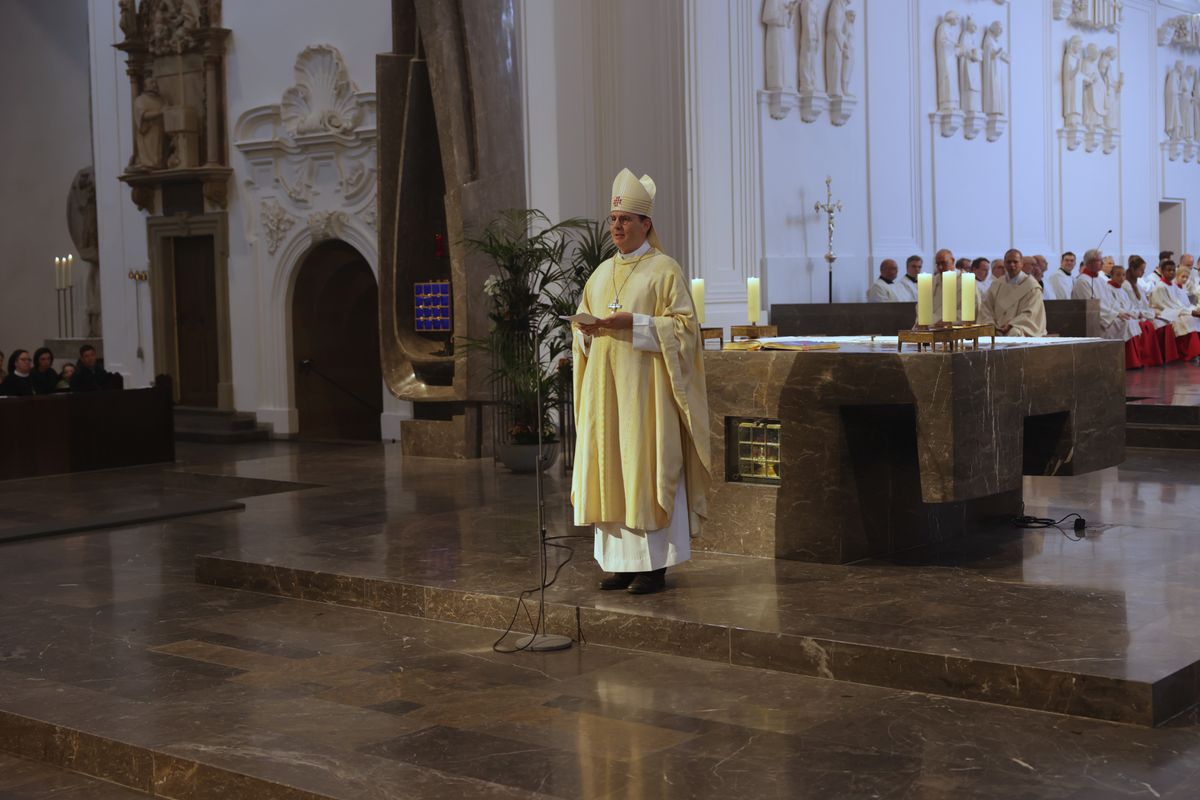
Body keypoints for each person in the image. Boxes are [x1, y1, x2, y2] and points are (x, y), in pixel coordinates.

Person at [573, 168, 712, 596]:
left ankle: (654, 566)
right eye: (614, 220)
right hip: (606, 394)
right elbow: (582, 323)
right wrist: (585, 331)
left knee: (644, 466)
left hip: (646, 396)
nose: (617, 227)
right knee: (611, 467)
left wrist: (637, 324)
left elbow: (687, 330)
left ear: (646, 224)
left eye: (626, 220)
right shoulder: (599, 274)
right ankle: (619, 563)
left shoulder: (664, 270)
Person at [979, 248, 1047, 336]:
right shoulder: (997, 284)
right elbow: (986, 308)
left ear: (1022, 264)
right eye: (1008, 262)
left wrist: (1011, 325)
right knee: (987, 332)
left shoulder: (1032, 287)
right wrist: (992, 324)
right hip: (996, 326)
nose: (1012, 265)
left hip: (1019, 327)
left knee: (1014, 333)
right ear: (1004, 264)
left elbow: (1031, 313)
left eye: (1015, 262)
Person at [1126, 256, 1179, 365]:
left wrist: (1153, 314)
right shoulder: (1127, 285)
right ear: (1133, 269)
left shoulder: (1137, 285)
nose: (1143, 272)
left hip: (1144, 314)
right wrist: (1149, 315)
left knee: (1166, 323)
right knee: (1150, 325)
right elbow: (1132, 307)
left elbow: (1145, 305)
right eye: (1141, 269)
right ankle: (1150, 359)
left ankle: (1167, 357)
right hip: (1136, 316)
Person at [1150, 260, 1200, 360]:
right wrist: (1190, 312)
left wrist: (1193, 310)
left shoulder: (1173, 286)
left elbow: (1179, 304)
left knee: (1192, 318)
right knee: (1186, 319)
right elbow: (1164, 306)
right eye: (1169, 270)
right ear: (1162, 271)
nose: (1172, 272)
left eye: (1173, 270)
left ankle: (1194, 351)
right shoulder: (1160, 287)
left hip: (1174, 311)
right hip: (1163, 313)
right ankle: (1188, 353)